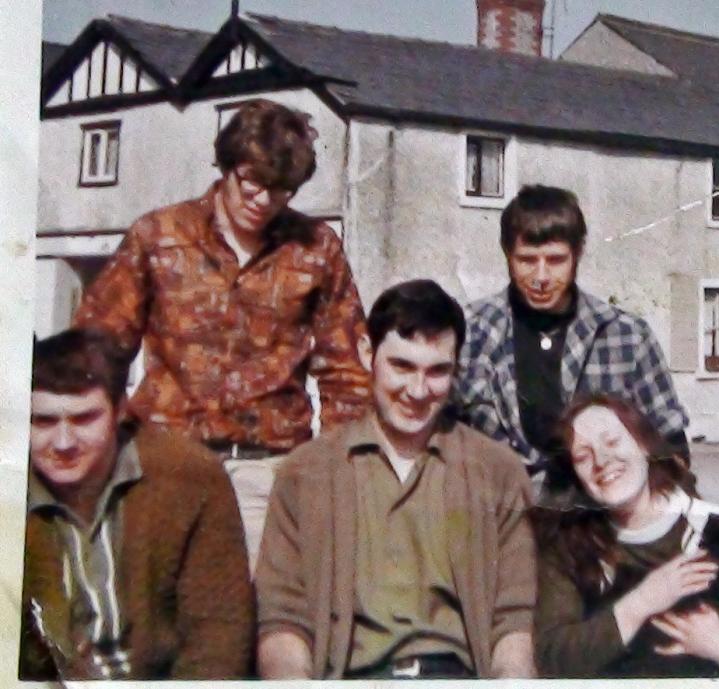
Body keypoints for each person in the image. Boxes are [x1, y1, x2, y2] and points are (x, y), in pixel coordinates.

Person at [72, 98, 371, 570]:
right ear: (228, 166)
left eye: (281, 190)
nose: (263, 201)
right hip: (166, 460)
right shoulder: (159, 235)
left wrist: (334, 470)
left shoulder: (317, 249)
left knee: (253, 613)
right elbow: (94, 350)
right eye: (252, 183)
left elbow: (347, 370)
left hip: (267, 468)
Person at [255, 279, 536, 679]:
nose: (418, 391)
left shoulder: (498, 473)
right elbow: (283, 623)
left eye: (438, 371)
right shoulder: (306, 475)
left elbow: (513, 627)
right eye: (401, 366)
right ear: (368, 354)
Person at [20, 329, 254, 681]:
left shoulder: (190, 476)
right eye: (44, 421)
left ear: (119, 412)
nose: (64, 442)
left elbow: (217, 636)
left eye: (84, 419)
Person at [532, 394, 719, 678]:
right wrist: (642, 601)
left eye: (612, 442)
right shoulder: (569, 546)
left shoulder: (712, 533)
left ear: (644, 445)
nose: (602, 460)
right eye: (583, 456)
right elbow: (552, 659)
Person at [455, 185, 689, 491]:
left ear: (577, 254)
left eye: (555, 260)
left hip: (601, 525)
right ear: (507, 254)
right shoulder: (470, 331)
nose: (540, 277)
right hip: (499, 520)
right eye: (527, 260)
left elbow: (672, 450)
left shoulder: (627, 337)